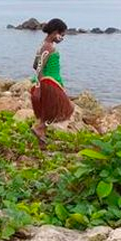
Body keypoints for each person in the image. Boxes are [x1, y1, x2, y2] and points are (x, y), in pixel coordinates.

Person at [30, 18, 74, 148]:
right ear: (55, 32)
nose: (62, 38)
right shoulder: (48, 47)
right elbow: (38, 68)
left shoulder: (43, 46)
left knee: (48, 112)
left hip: (50, 81)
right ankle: (40, 128)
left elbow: (34, 65)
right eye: (62, 35)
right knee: (66, 109)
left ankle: (41, 140)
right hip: (49, 82)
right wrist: (39, 86)